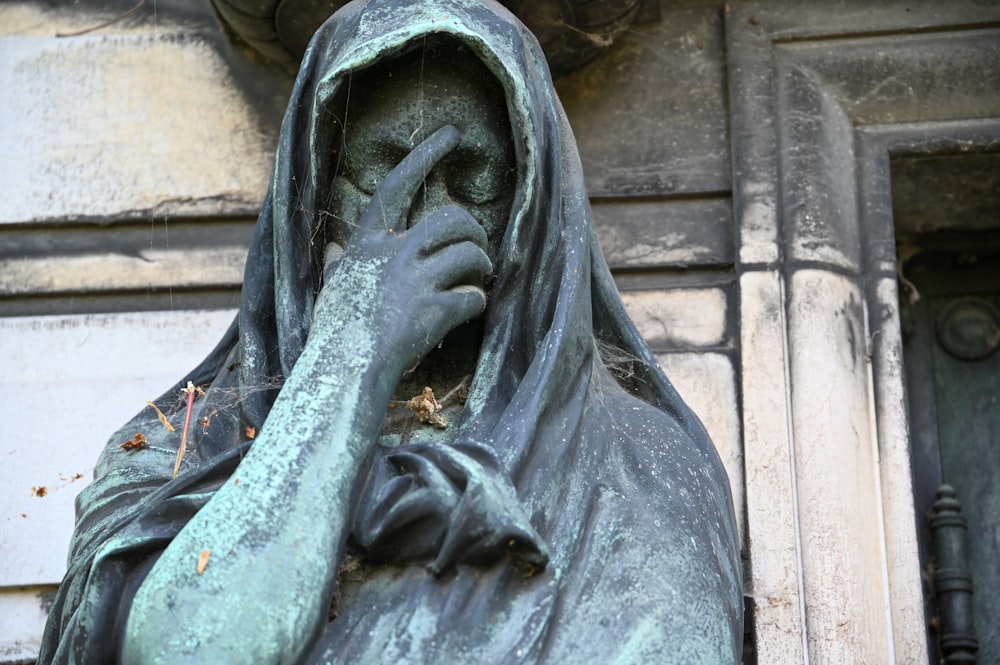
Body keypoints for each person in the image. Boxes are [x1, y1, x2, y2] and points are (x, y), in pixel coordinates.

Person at [40, 1, 742, 662]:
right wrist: (352, 352)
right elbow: (182, 648)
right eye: (381, 174)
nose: (429, 218)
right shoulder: (178, 449)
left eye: (471, 179)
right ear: (313, 193)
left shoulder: (637, 468)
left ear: (531, 201)